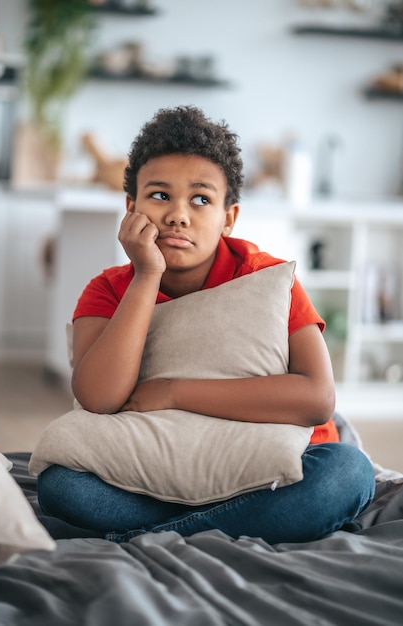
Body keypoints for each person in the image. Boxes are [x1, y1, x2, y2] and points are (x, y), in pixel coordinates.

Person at [37, 106, 375, 544]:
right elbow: (99, 397)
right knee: (62, 485)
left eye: (201, 199)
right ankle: (226, 525)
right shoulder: (107, 290)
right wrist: (146, 276)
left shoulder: (270, 278)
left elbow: (316, 399)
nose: (179, 214)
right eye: (159, 196)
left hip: (261, 473)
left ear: (229, 217)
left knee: (347, 474)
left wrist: (174, 391)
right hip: (152, 472)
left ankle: (160, 536)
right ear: (131, 207)